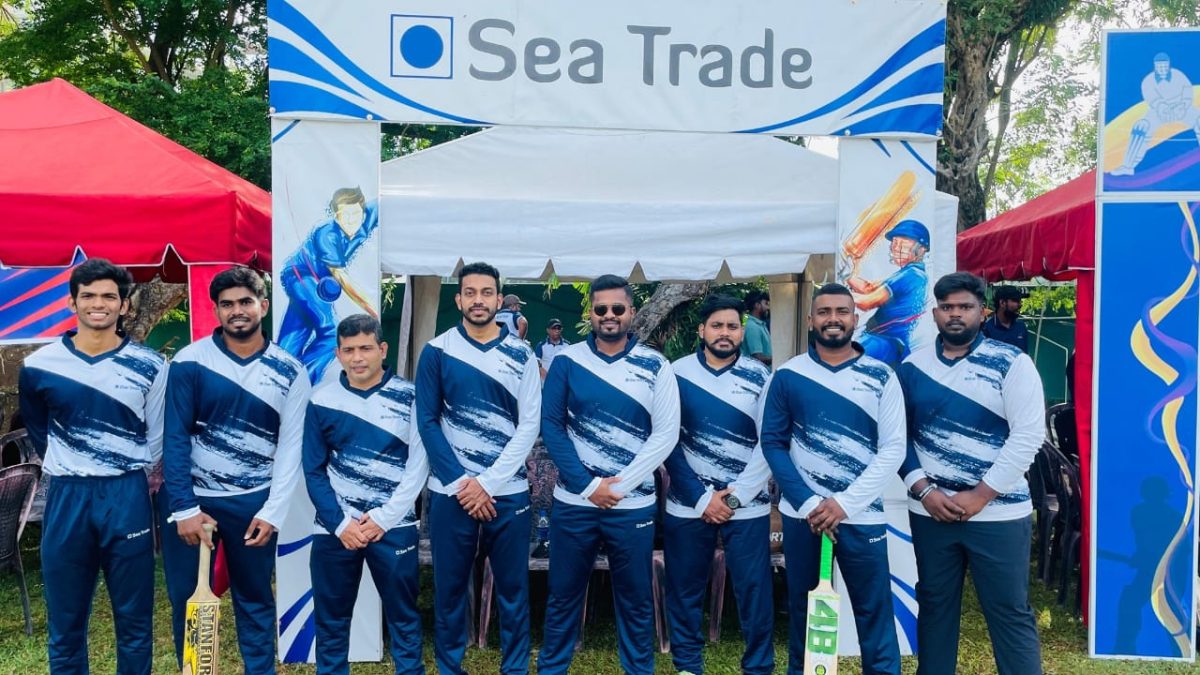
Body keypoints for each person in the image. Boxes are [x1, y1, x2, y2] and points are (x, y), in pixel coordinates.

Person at [18, 258, 168, 674]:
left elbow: (156, 435)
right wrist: (78, 461)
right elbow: (40, 431)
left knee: (135, 621)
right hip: (68, 496)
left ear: (124, 305)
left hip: (126, 495)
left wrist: (121, 467)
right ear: (72, 303)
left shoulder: (152, 365)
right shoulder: (39, 366)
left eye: (108, 296)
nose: (98, 304)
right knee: (65, 623)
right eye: (88, 296)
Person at [160, 266, 310, 674]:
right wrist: (184, 508)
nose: (237, 311)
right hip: (193, 503)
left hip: (253, 504)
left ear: (264, 305)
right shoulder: (189, 362)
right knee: (188, 600)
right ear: (216, 311)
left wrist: (273, 511)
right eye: (227, 304)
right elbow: (174, 438)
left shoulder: (290, 370)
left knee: (255, 598)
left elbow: (291, 447)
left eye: (245, 301)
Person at [898, 272, 1045, 675]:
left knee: (1009, 611)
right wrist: (924, 491)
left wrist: (981, 495)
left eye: (965, 306)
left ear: (983, 312)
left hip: (999, 513)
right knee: (934, 607)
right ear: (934, 314)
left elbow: (1029, 435)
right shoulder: (912, 367)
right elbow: (897, 438)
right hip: (932, 512)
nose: (955, 314)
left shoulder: (1013, 363)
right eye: (947, 307)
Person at [760, 283, 906, 675]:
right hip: (803, 516)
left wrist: (844, 503)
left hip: (862, 515)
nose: (833, 319)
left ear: (855, 319)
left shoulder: (882, 376)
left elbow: (894, 448)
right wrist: (810, 503)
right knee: (804, 611)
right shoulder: (789, 375)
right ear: (811, 320)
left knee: (874, 611)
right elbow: (772, 443)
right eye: (824, 312)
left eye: (842, 312)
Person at [538, 274, 681, 675]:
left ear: (631, 312)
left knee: (635, 601)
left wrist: (619, 486)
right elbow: (552, 427)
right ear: (591, 313)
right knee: (562, 597)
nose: (609, 315)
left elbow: (666, 433)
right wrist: (588, 486)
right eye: (601, 309)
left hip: (631, 505)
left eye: (618, 308)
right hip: (574, 503)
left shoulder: (656, 365)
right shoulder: (567, 361)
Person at [416, 262, 541, 675]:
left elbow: (530, 424)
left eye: (486, 293)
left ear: (499, 299)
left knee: (513, 591)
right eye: (470, 292)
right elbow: (427, 421)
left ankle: (515, 669)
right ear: (458, 299)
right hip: (451, 493)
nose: (478, 300)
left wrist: (486, 483)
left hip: (508, 493)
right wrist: (461, 483)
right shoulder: (436, 351)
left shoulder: (522, 353)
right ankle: (450, 668)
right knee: (450, 591)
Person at [303, 314, 428, 674]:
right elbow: (313, 470)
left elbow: (419, 463)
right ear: (338, 354)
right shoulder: (321, 399)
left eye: (365, 348)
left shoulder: (410, 397)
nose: (357, 358)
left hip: (394, 526)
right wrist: (341, 523)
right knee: (331, 620)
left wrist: (385, 517)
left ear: (382, 349)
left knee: (404, 617)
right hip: (335, 530)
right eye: (349, 350)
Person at [663, 295, 774, 675]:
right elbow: (667, 441)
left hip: (747, 505)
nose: (724, 333)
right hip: (688, 504)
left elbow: (769, 441)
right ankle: (687, 666)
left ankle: (758, 667)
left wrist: (736, 497)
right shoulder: (675, 373)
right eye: (716, 325)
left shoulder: (762, 377)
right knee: (684, 590)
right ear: (702, 330)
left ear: (742, 331)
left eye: (731, 326)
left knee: (754, 590)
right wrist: (700, 497)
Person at [279, 186, 380, 384]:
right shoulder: (327, 234)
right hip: (300, 276)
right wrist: (371, 308)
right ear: (335, 216)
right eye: (344, 215)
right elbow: (342, 278)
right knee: (333, 333)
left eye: (355, 213)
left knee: (290, 343)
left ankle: (280, 376)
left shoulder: (369, 215)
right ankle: (299, 383)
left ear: (363, 211)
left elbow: (383, 202)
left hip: (315, 285)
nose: (351, 220)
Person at [848, 220, 930, 368]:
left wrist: (838, 298)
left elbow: (868, 302)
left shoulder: (912, 275)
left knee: (845, 363)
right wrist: (848, 275)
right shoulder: (908, 273)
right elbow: (869, 289)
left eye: (903, 243)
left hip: (885, 343)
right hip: (886, 343)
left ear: (921, 249)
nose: (896, 247)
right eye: (894, 242)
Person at [1112, 52, 1200, 176]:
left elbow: (1188, 92)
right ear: (1155, 66)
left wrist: (1182, 106)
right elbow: (1152, 99)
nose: (1162, 69)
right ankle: (1128, 166)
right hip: (1159, 111)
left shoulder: (1178, 75)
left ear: (1168, 65)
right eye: (1160, 66)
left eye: (1165, 66)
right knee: (1141, 126)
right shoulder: (1148, 80)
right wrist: (1163, 109)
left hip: (1182, 108)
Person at [981, 285, 1029, 353]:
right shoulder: (986, 329)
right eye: (1015, 300)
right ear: (1002, 303)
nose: (1020, 305)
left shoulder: (1021, 327)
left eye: (1020, 301)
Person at [741, 290, 772, 367]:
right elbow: (758, 358)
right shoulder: (752, 326)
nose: (768, 308)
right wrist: (780, 358)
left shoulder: (756, 323)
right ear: (757, 305)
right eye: (766, 304)